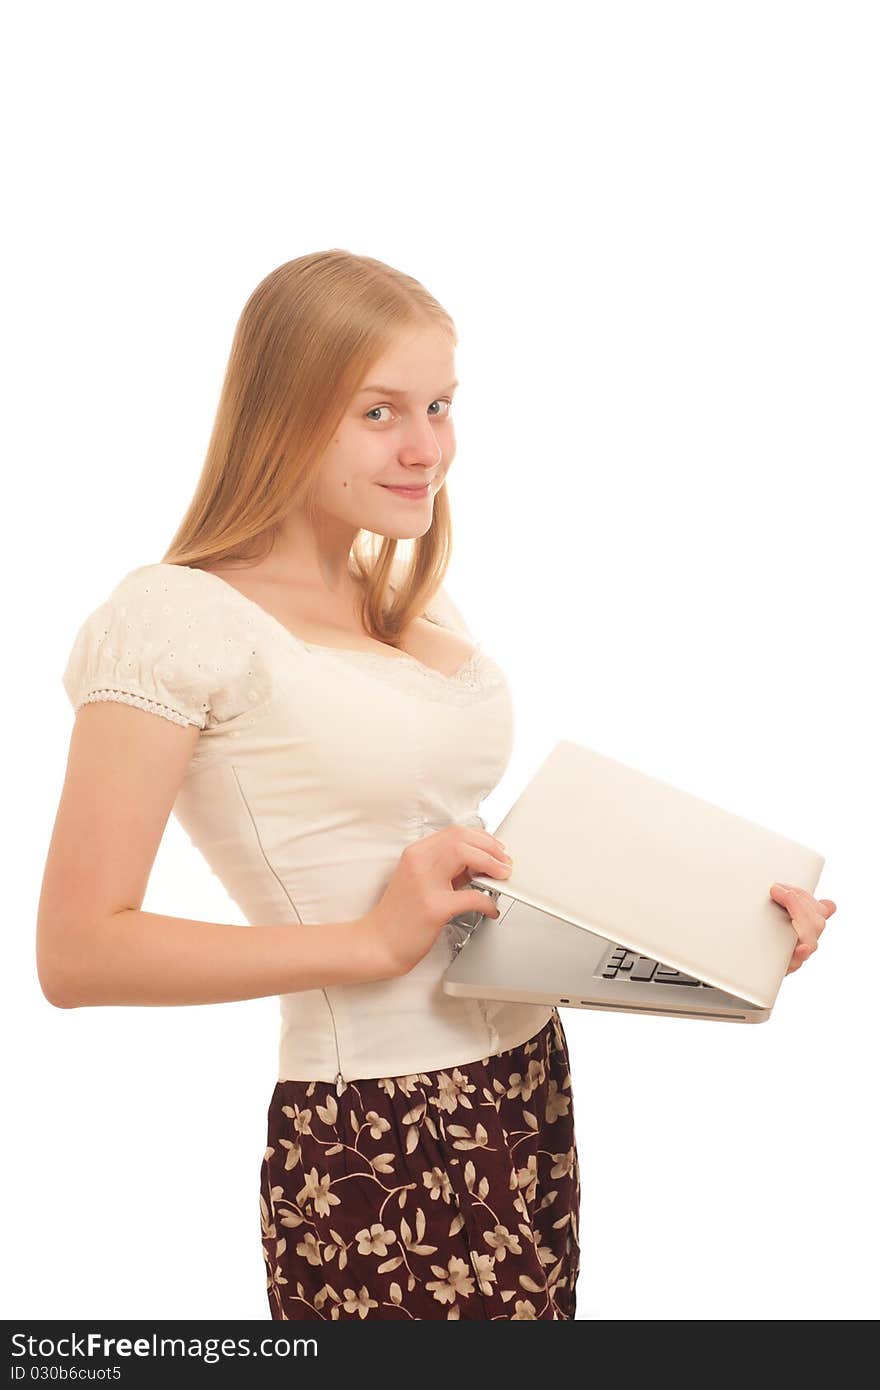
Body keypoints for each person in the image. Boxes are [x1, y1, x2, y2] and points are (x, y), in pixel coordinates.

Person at [37, 249, 581, 1320]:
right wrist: (366, 944)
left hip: (524, 1086)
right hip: (378, 1123)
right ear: (283, 413)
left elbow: (459, 869)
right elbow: (77, 948)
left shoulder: (411, 601)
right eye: (380, 412)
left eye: (439, 404)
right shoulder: (172, 620)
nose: (427, 448)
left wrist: (716, 935)